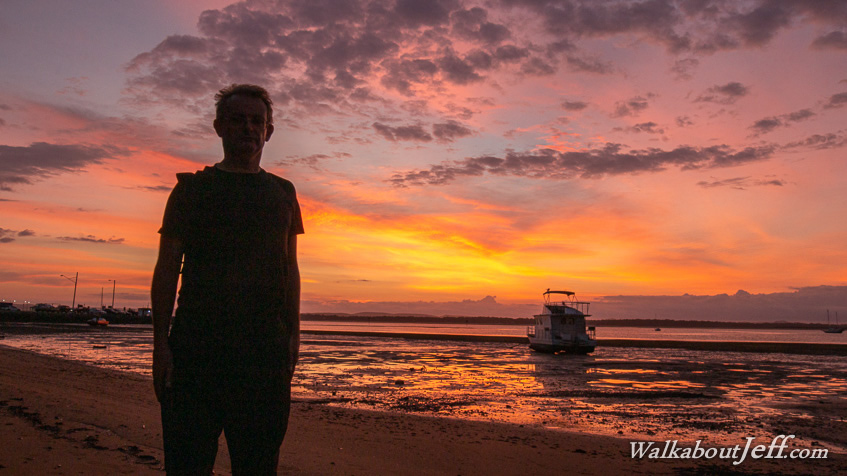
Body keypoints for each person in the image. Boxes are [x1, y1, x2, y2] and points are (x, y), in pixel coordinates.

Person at [151, 83, 303, 475]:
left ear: (269, 131)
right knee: (187, 465)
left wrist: (293, 335)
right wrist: (160, 346)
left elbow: (290, 269)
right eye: (238, 120)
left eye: (257, 121)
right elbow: (166, 269)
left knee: (258, 466)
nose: (248, 128)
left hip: (264, 357)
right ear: (220, 127)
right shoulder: (192, 190)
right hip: (196, 352)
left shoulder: (283, 193)